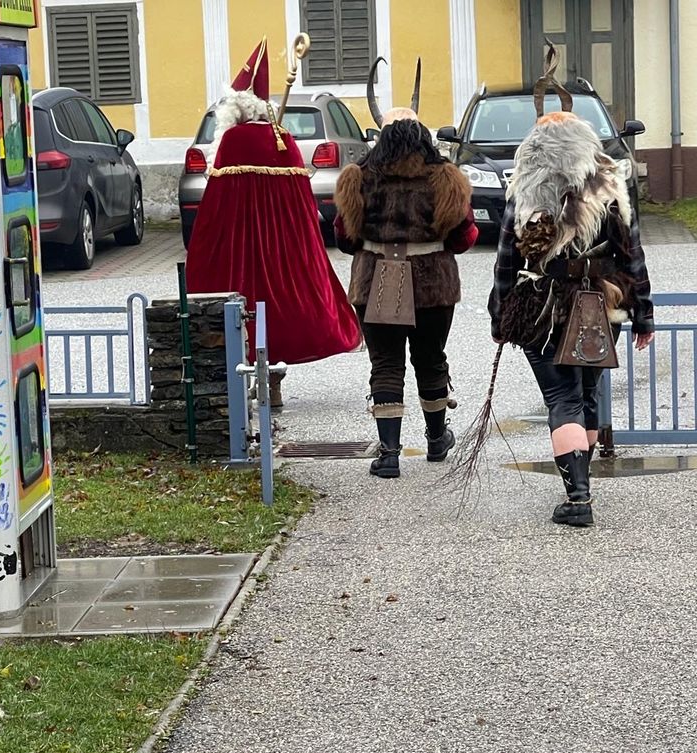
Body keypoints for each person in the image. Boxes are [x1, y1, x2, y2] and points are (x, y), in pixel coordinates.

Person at [487, 68, 654, 526]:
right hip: (605, 303)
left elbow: (506, 259)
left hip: (542, 306)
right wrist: (644, 314)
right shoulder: (609, 181)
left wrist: (501, 314)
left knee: (561, 397)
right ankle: (583, 479)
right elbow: (632, 251)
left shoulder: (524, 187)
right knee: (586, 390)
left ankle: (577, 497)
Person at [184, 38, 361, 408]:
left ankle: (246, 383)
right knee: (279, 309)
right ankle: (275, 383)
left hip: (237, 244)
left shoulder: (231, 142)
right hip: (281, 246)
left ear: (236, 110)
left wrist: (206, 245)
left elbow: (216, 205)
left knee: (239, 306)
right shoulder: (285, 142)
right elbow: (300, 203)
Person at [334, 57, 478, 479]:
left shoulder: (357, 178)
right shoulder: (446, 177)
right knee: (431, 359)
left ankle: (391, 453)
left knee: (385, 363)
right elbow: (464, 239)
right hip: (433, 285)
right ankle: (436, 440)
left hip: (375, 278)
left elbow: (345, 239)